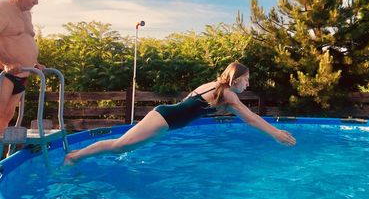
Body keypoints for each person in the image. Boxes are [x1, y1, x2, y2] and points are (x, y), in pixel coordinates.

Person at [64, 62, 296, 164]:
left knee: (126, 147)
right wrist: (275, 132)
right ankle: (74, 156)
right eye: (246, 80)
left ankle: (78, 155)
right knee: (120, 146)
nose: (247, 85)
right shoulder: (227, 93)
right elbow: (250, 117)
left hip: (165, 119)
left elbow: (189, 102)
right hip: (164, 119)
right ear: (236, 79)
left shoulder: (215, 87)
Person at [0, 0, 45, 135]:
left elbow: (24, 40)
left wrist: (34, 62)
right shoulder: (2, 8)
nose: (36, 3)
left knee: (6, 116)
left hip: (23, 73)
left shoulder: (26, 14)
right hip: (5, 72)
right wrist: (7, 61)